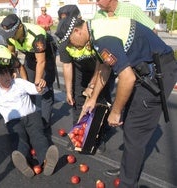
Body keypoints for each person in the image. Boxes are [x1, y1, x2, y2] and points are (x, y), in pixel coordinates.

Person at [55, 15, 177, 187]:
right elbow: (105, 67)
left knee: (135, 130)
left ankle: (128, 182)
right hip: (144, 70)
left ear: (77, 31)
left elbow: (127, 79)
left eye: (70, 41)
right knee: (129, 124)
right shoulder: (95, 30)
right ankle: (128, 169)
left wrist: (115, 111)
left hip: (158, 73)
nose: (71, 46)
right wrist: (93, 98)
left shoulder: (103, 38)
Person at [94, 0, 158, 175]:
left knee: (131, 120)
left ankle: (128, 169)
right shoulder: (98, 16)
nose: (97, 2)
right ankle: (127, 165)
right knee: (118, 108)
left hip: (137, 72)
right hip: (114, 68)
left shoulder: (131, 10)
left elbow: (152, 32)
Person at [0, 58, 59, 178]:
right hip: (13, 122)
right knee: (19, 139)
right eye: (3, 76)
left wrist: (40, 87)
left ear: (11, 74)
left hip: (31, 116)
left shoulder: (19, 83)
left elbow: (36, 89)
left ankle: (46, 160)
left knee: (38, 135)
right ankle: (24, 161)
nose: (7, 78)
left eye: (8, 74)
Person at [56, 5, 111, 153]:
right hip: (81, 71)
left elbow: (102, 65)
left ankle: (98, 137)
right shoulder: (64, 43)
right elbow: (67, 66)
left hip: (101, 70)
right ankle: (77, 135)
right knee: (78, 102)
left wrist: (93, 87)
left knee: (99, 103)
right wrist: (68, 91)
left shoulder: (94, 35)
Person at [0, 14, 56, 128]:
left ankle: (45, 123)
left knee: (44, 88)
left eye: (13, 34)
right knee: (28, 86)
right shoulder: (10, 36)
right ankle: (31, 117)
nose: (12, 37)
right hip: (30, 53)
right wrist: (13, 70)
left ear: (20, 27)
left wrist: (38, 81)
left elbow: (41, 62)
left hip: (46, 54)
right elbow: (11, 54)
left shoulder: (36, 35)